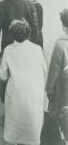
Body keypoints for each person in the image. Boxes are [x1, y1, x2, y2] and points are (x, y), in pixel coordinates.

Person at [0, 19, 47, 145]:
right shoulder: (37, 49)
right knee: (31, 129)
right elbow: (44, 69)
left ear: (12, 34)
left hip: (16, 94)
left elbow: (2, 75)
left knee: (14, 128)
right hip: (33, 94)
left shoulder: (9, 50)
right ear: (28, 33)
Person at [46, 9, 68, 142]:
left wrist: (49, 90)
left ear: (64, 26)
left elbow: (54, 70)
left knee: (63, 123)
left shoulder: (60, 44)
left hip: (64, 90)